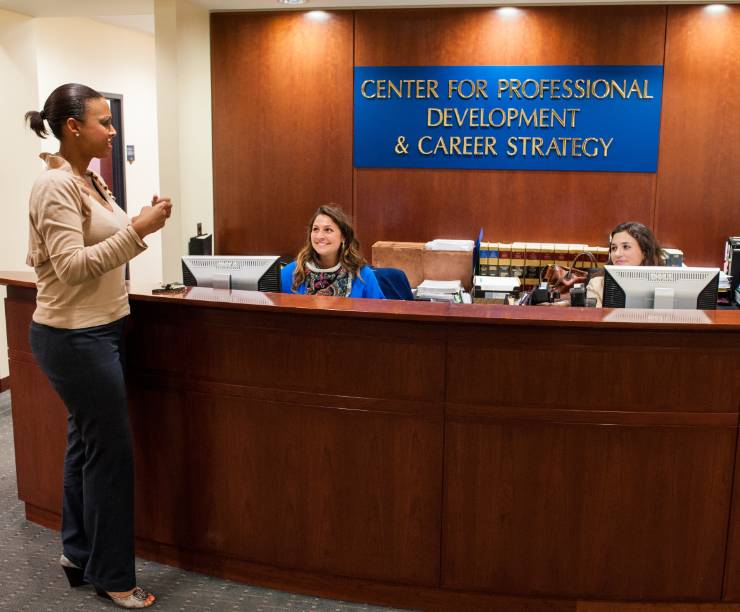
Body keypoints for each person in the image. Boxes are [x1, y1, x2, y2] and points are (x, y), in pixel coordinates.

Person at [25, 83, 171, 608]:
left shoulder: (89, 180)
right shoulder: (55, 186)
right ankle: (112, 576)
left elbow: (98, 245)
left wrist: (136, 224)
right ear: (72, 127)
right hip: (74, 337)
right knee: (111, 454)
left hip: (100, 328)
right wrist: (139, 230)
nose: (112, 131)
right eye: (104, 122)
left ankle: (78, 551)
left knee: (86, 444)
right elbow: (69, 267)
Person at [281, 205, 385, 299]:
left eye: (328, 230)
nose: (319, 236)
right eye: (316, 229)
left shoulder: (363, 275)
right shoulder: (291, 273)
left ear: (343, 237)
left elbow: (380, 315)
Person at [587, 221, 664, 307]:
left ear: (644, 253)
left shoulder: (663, 285)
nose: (617, 254)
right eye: (614, 248)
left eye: (626, 247)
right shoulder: (597, 285)